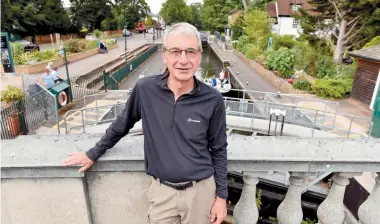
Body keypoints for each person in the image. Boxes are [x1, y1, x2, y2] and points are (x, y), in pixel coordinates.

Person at [63, 22, 228, 224]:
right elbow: (122, 124)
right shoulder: (145, 90)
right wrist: (93, 153)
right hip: (162, 193)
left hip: (201, 193)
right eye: (175, 52)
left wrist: (221, 197)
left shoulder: (212, 99)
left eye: (190, 52)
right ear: (164, 56)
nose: (183, 60)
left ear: (199, 57)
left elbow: (219, 149)